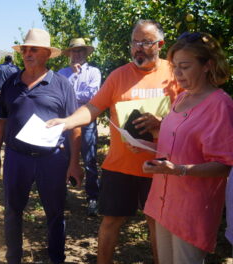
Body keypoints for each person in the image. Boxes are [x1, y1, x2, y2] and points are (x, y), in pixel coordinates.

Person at [47, 20, 182, 264]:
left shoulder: (174, 75)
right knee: (110, 221)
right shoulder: (119, 76)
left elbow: (190, 117)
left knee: (157, 225)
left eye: (145, 42)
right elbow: (93, 107)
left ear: (160, 44)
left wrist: (162, 122)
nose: (138, 48)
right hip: (120, 165)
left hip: (161, 167)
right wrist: (67, 122)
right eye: (134, 42)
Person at [0, 28, 83, 264]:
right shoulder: (11, 83)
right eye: (25, 49)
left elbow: (75, 126)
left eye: (34, 49)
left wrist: (74, 163)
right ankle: (13, 258)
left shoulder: (61, 84)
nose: (27, 53)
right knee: (12, 212)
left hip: (52, 159)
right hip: (17, 158)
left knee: (55, 213)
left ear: (47, 54)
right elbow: (1, 121)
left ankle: (57, 258)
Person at [142, 32, 233, 264]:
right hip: (164, 202)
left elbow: (224, 165)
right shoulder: (181, 99)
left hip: (192, 209)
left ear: (207, 65)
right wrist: (145, 145)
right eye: (174, 67)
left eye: (184, 66)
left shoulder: (220, 104)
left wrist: (180, 170)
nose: (177, 74)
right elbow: (175, 145)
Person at [58, 38, 101, 216]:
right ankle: (62, 194)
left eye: (80, 51)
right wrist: (73, 78)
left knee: (90, 160)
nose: (77, 54)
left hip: (86, 122)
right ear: (69, 54)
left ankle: (93, 198)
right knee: (63, 159)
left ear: (85, 53)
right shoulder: (62, 73)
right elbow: (59, 96)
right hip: (67, 123)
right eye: (74, 51)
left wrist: (72, 89)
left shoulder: (94, 72)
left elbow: (93, 95)